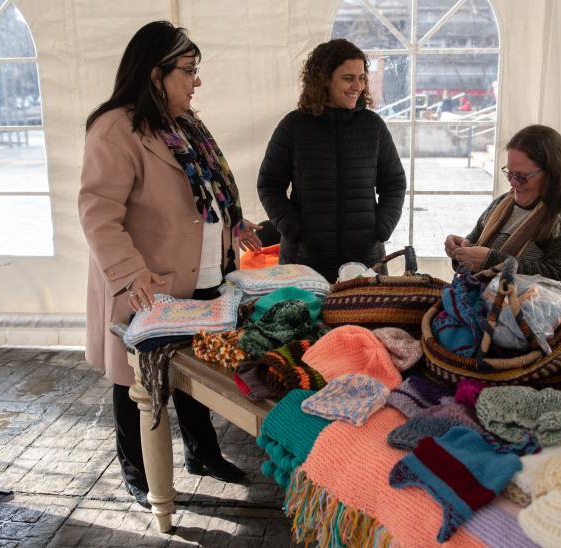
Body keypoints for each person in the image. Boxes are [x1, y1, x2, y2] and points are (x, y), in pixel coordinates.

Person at [78, 21, 261, 507]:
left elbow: (206, 193)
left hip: (200, 277)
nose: (195, 81)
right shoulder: (117, 128)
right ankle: (138, 471)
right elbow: (98, 213)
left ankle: (202, 452)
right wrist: (131, 273)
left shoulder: (183, 125)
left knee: (194, 371)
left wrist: (233, 227)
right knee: (136, 382)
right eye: (188, 71)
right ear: (156, 74)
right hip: (148, 284)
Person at [257, 38, 407, 282]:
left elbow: (395, 183)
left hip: (366, 260)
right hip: (303, 261)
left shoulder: (373, 127)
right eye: (348, 78)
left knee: (365, 321)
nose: (357, 86)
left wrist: (382, 228)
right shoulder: (293, 126)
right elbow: (269, 185)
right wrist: (294, 229)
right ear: (324, 79)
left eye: (362, 78)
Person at [444, 124, 561, 311]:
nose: (513, 183)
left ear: (554, 173)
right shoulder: (501, 205)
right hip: (485, 317)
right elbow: (477, 249)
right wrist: (462, 250)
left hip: (535, 335)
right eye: (510, 174)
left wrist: (492, 262)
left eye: (522, 177)